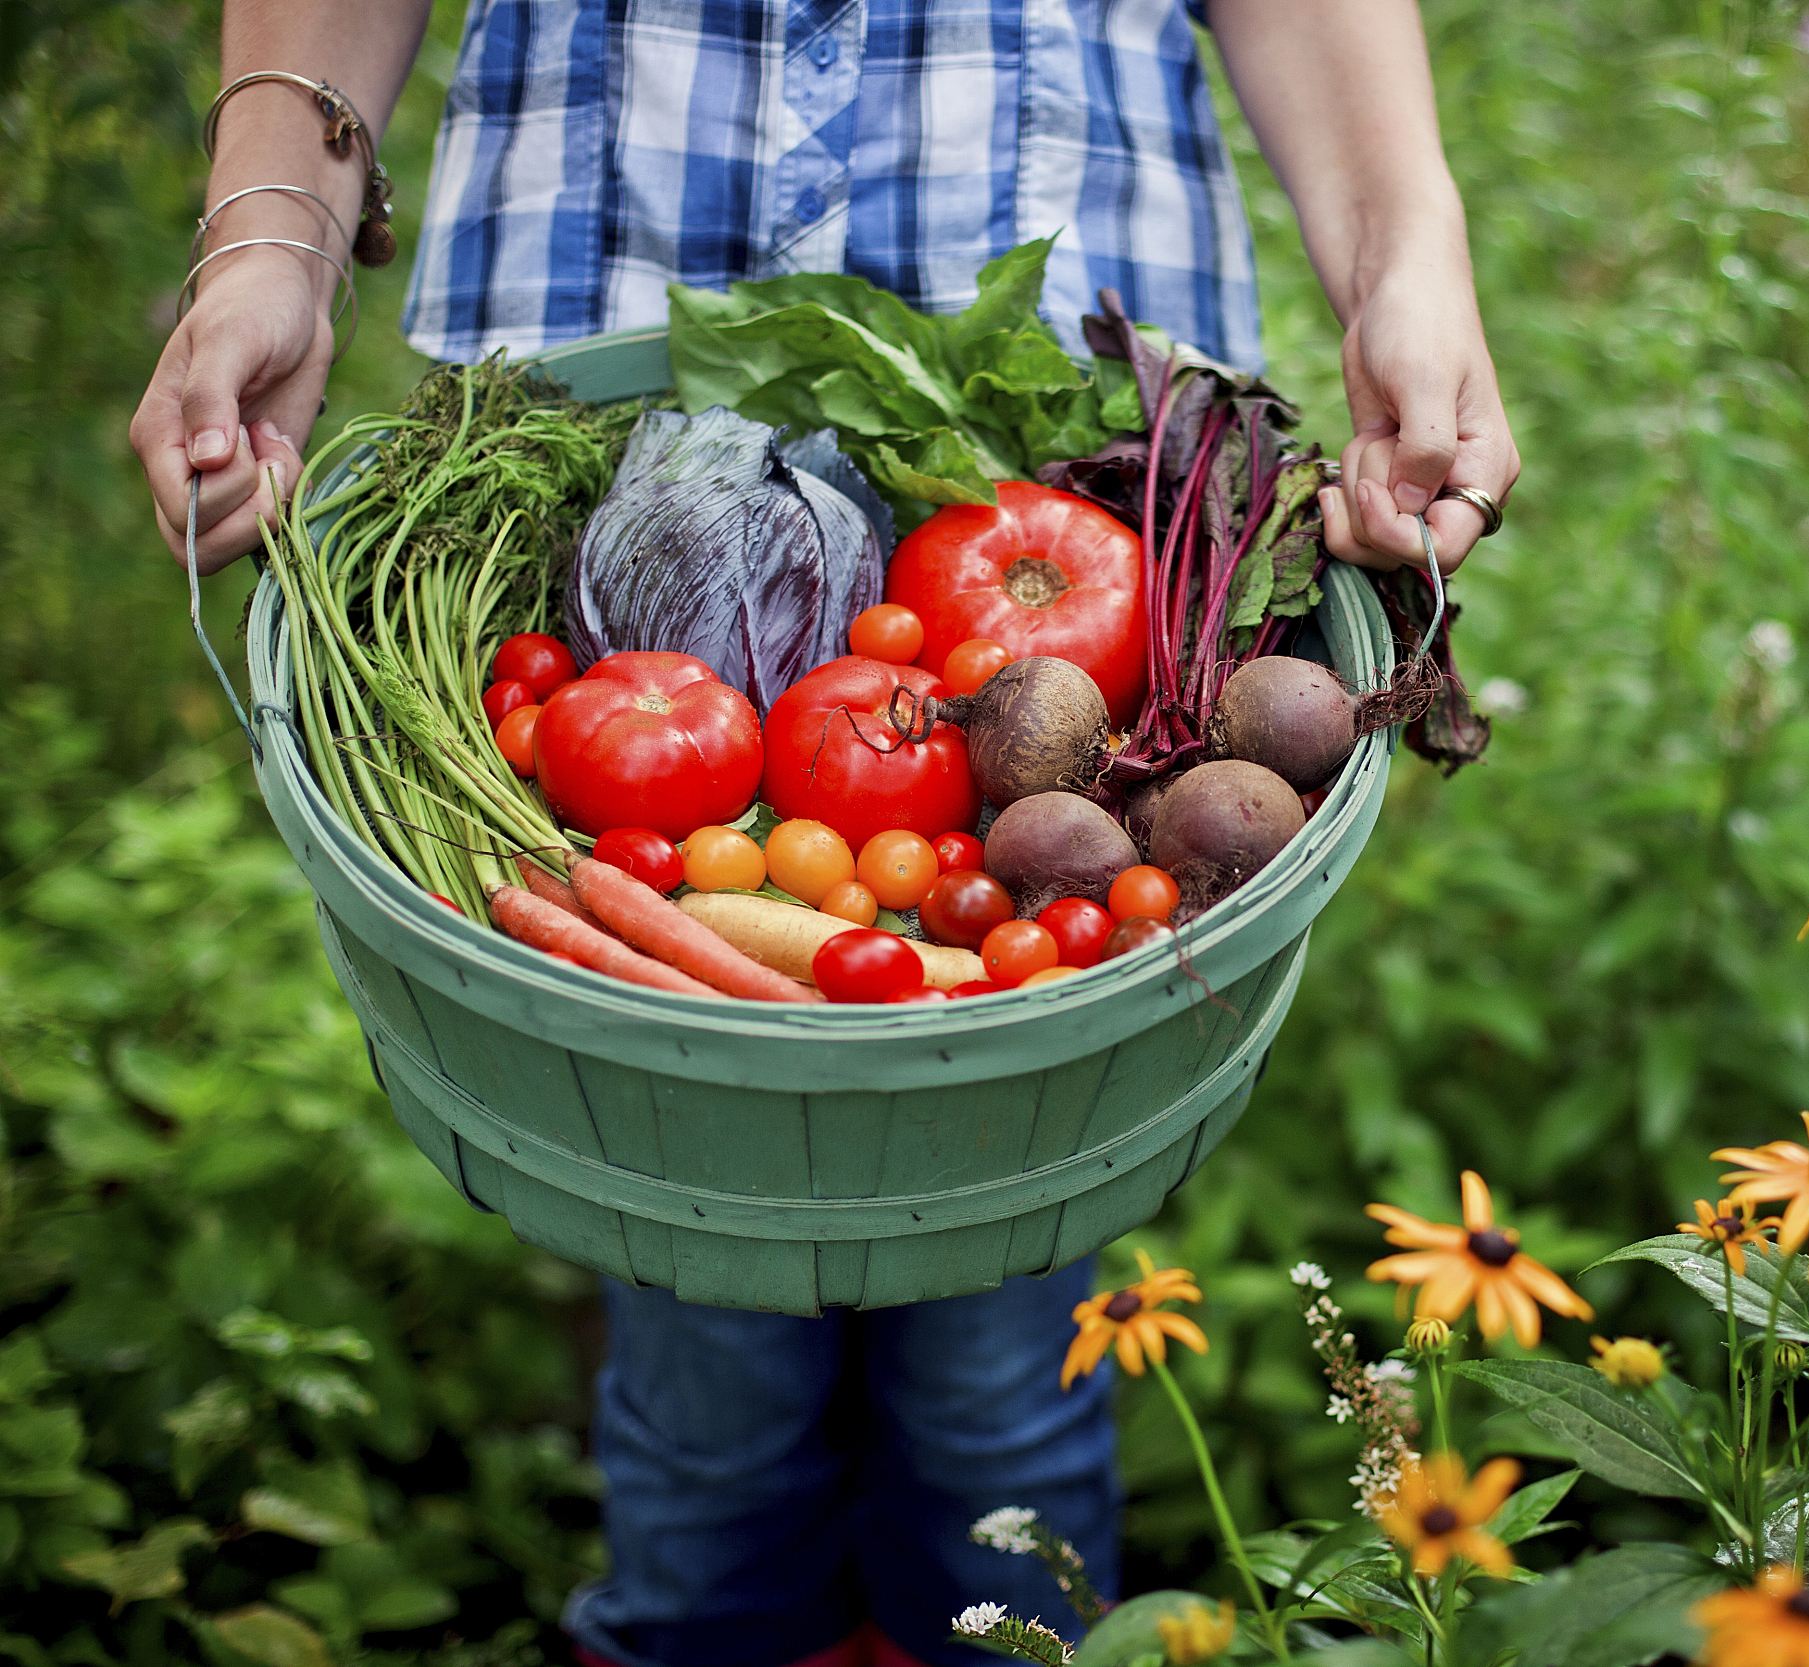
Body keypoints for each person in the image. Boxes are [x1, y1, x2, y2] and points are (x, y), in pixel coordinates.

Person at [130, 4, 1519, 1664]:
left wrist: (1407, 251)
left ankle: (992, 1633)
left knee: (1004, 1355)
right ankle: (709, 1616)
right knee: (695, 1317)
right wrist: (268, 225)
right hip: (603, 359)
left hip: (1066, 372)